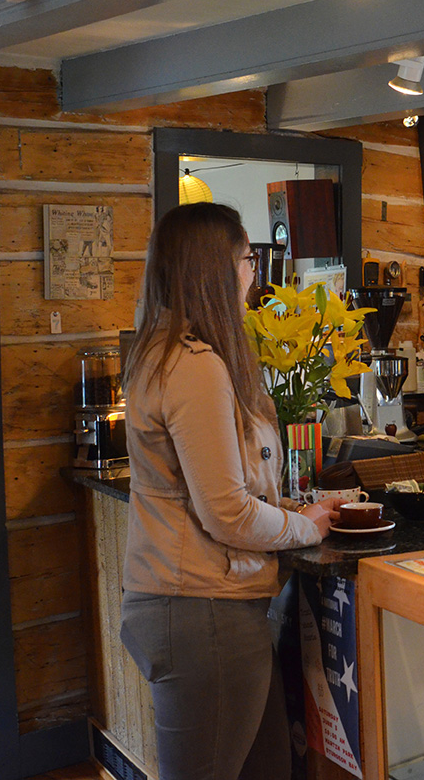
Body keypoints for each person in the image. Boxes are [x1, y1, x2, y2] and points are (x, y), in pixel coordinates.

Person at [120, 202, 335, 780]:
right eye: (247, 258)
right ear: (215, 269)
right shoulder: (194, 366)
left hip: (200, 607)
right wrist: (304, 526)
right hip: (201, 612)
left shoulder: (159, 354)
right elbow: (226, 513)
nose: (253, 273)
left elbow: (211, 490)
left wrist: (291, 508)